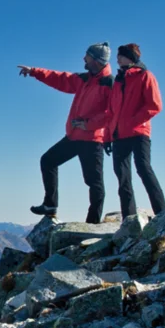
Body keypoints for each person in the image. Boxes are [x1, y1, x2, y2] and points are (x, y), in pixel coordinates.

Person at [19, 42, 115, 224]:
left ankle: (92, 224)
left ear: (95, 60)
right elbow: (60, 79)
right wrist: (34, 71)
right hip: (74, 137)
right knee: (47, 160)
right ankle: (50, 204)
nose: (83, 59)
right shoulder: (85, 79)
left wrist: (89, 125)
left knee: (94, 183)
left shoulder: (109, 83)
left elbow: (112, 113)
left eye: (86, 56)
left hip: (92, 139)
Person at [109, 43, 165, 216]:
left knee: (143, 169)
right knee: (122, 178)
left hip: (139, 133)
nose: (117, 59)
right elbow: (113, 111)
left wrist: (132, 122)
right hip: (119, 136)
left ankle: (162, 213)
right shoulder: (118, 81)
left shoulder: (145, 76)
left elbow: (155, 105)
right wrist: (109, 134)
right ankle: (129, 219)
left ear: (130, 57)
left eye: (121, 55)